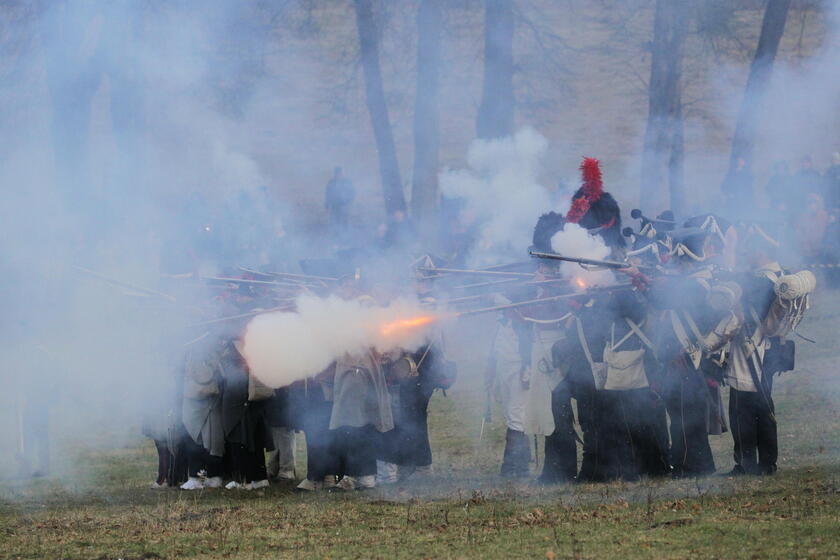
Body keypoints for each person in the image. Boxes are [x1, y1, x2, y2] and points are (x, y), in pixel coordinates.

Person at [180, 336, 226, 490]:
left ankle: (208, 476)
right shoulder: (195, 351)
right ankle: (199, 476)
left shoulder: (208, 353)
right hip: (195, 403)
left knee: (211, 442)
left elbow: (205, 376)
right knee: (195, 440)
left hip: (207, 402)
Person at [324, 167, 355, 233]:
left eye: (341, 173)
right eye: (337, 173)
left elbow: (352, 193)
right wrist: (327, 205)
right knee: (334, 220)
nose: (339, 175)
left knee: (344, 221)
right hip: (334, 206)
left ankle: (346, 235)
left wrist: (348, 200)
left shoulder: (347, 182)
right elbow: (327, 194)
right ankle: (335, 235)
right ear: (335, 174)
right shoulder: (331, 182)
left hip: (344, 205)